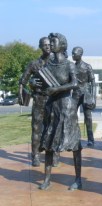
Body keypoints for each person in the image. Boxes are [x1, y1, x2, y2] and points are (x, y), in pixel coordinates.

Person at [39, 33, 82, 190]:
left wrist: (57, 88)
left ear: (62, 45)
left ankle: (78, 179)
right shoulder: (47, 66)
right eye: (49, 41)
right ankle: (47, 179)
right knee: (49, 142)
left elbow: (75, 83)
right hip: (52, 107)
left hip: (66, 107)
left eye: (53, 41)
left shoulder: (69, 65)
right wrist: (35, 84)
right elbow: (44, 86)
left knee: (74, 143)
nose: (50, 44)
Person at [18, 37, 59, 167]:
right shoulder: (34, 64)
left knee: (53, 128)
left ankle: (54, 154)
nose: (48, 47)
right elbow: (22, 81)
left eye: (49, 45)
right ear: (40, 46)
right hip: (39, 99)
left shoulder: (57, 63)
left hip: (53, 100)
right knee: (36, 128)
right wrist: (30, 83)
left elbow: (65, 80)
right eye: (45, 45)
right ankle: (35, 155)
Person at [72, 46, 96, 147]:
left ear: (80, 54)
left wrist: (93, 98)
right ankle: (74, 137)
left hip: (85, 94)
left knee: (88, 117)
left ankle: (91, 139)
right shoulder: (71, 67)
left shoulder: (87, 66)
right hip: (75, 94)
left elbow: (93, 83)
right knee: (71, 116)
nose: (73, 55)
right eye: (72, 53)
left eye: (74, 53)